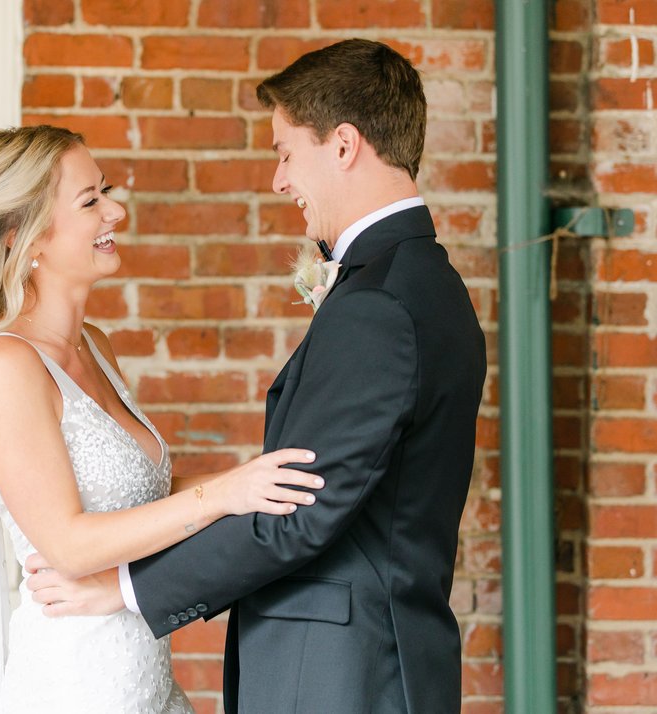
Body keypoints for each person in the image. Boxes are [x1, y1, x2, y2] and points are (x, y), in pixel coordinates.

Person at [26, 39, 487, 713]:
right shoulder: (425, 284)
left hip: (341, 676)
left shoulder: (379, 305)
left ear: (343, 145)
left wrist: (124, 588)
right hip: (373, 659)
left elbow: (298, 510)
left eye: (285, 153)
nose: (278, 180)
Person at [0, 125, 322, 714]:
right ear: (21, 236)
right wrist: (221, 495)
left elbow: (141, 497)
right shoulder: (6, 364)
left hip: (145, 677)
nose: (116, 211)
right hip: (75, 684)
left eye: (105, 191)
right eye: (91, 201)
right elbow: (68, 544)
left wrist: (251, 483)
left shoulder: (94, 345)